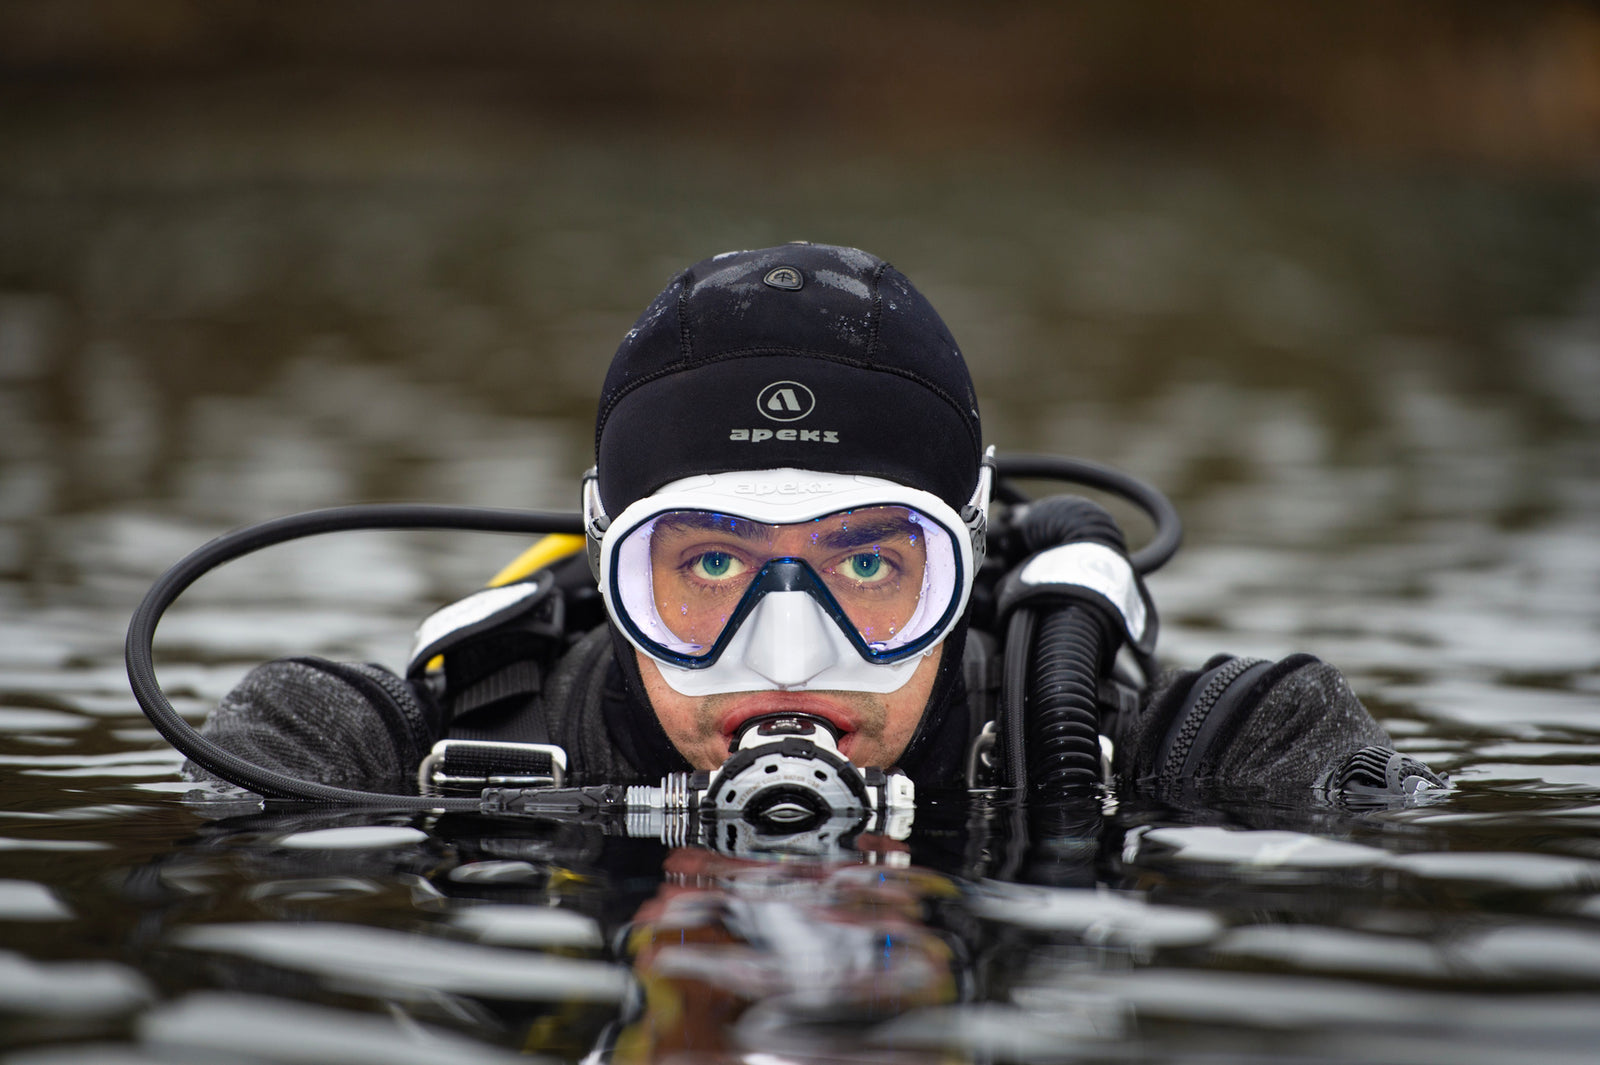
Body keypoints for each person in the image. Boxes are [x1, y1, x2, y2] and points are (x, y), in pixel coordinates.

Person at [190, 242, 1444, 805]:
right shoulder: (411, 750)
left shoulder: (1157, 748)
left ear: (967, 555)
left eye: (865, 561)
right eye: (715, 562)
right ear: (605, 554)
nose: (788, 659)